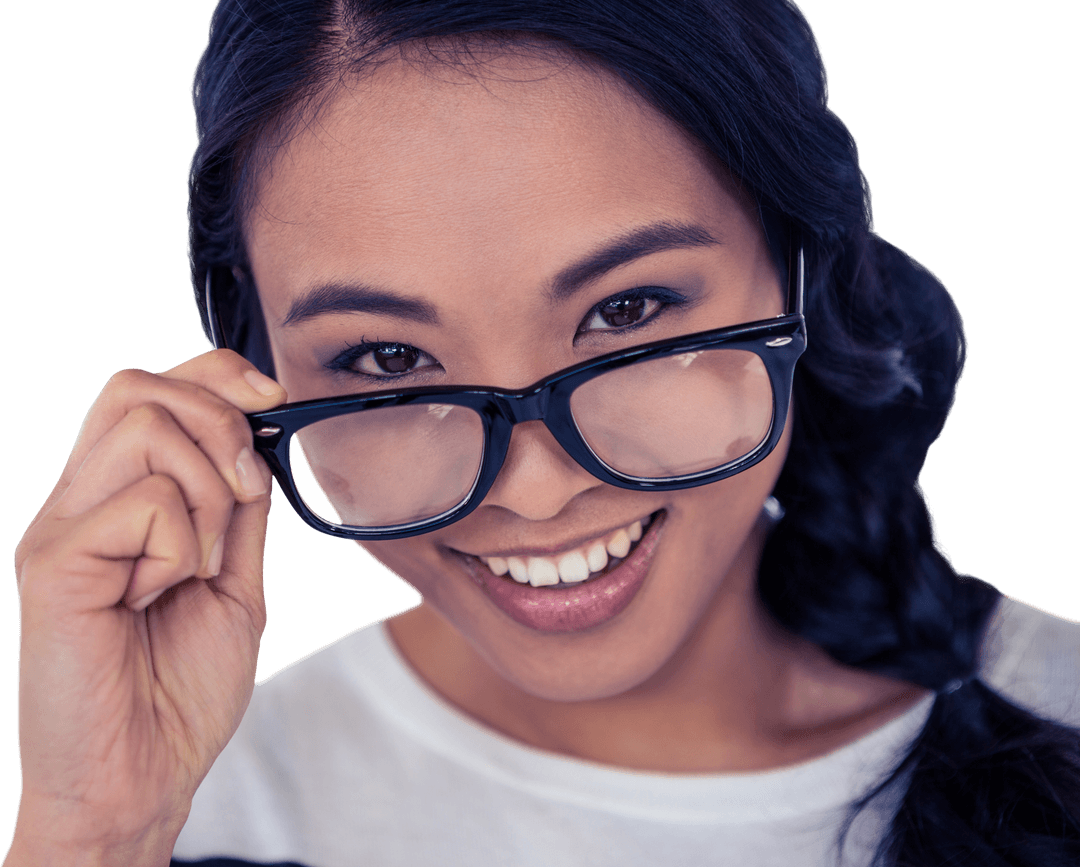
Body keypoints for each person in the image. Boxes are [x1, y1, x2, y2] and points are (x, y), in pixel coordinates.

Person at [6, 1, 1079, 865]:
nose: (532, 488)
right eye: (388, 360)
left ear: (801, 271)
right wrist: (94, 832)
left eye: (627, 312)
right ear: (254, 369)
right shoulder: (195, 802)